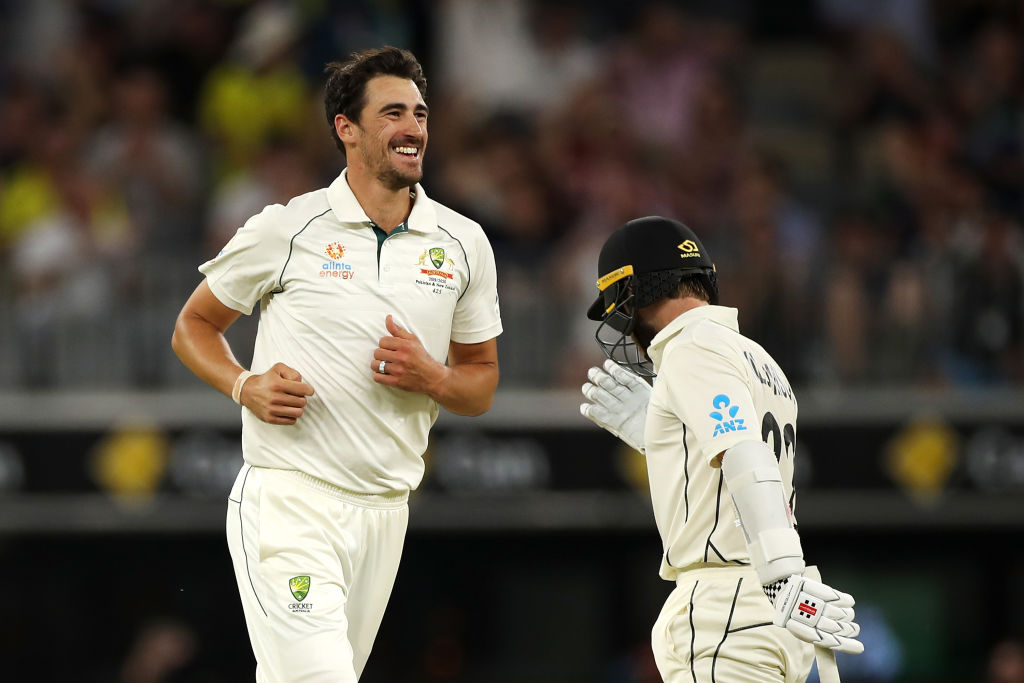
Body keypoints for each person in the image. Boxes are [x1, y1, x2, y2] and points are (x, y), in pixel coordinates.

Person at [171, 46, 502, 682]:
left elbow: (480, 382)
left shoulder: (465, 243)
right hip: (291, 499)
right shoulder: (287, 227)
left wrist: (431, 378)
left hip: (386, 509)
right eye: (392, 113)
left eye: (420, 113)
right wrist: (244, 384)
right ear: (345, 129)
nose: (413, 128)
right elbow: (193, 325)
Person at [579, 216, 862, 682]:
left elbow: (745, 455)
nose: (621, 325)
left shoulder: (692, 346)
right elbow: (729, 470)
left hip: (731, 605)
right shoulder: (756, 356)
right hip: (767, 608)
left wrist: (782, 574)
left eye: (617, 304)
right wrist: (664, 438)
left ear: (635, 292)